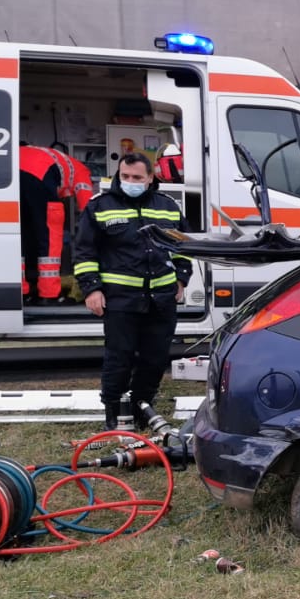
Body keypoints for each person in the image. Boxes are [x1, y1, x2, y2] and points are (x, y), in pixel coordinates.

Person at [73, 151, 192, 432]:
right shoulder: (99, 206)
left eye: (137, 177)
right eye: (124, 176)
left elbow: (183, 245)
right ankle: (114, 414)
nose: (130, 181)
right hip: (121, 300)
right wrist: (92, 289)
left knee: (155, 359)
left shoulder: (167, 206)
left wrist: (181, 279)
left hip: (161, 300)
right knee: (120, 358)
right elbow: (84, 251)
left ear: (150, 178)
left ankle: (142, 408)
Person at [19, 145, 92, 305]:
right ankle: (49, 295)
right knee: (50, 239)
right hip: (39, 175)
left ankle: (22, 292)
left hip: (11, 173)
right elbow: (88, 210)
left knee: (21, 237)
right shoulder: (81, 170)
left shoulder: (53, 157)